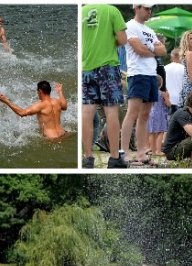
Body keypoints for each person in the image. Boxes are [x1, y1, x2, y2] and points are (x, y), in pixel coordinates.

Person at [81, 3, 128, 168]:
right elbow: (123, 39)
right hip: (108, 67)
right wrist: (110, 43)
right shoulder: (112, 10)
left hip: (86, 68)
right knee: (111, 111)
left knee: (87, 112)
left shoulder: (82, 11)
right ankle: (114, 158)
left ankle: (87, 158)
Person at [120, 3, 166, 166]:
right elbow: (139, 49)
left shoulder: (149, 30)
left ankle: (141, 152)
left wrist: (151, 48)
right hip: (137, 74)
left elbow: (163, 50)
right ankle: (124, 152)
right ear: (136, 8)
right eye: (146, 9)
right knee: (132, 113)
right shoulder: (129, 26)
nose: (149, 12)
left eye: (150, 9)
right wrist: (153, 49)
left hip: (151, 74)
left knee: (145, 115)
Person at [0, 81, 67, 139]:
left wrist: (6, 101)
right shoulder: (57, 102)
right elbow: (65, 106)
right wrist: (60, 92)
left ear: (40, 91)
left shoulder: (41, 105)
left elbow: (22, 113)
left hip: (51, 139)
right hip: (63, 134)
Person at [163, 48, 184, 114]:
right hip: (180, 100)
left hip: (166, 100)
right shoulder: (184, 69)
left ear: (172, 57)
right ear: (181, 57)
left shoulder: (164, 68)